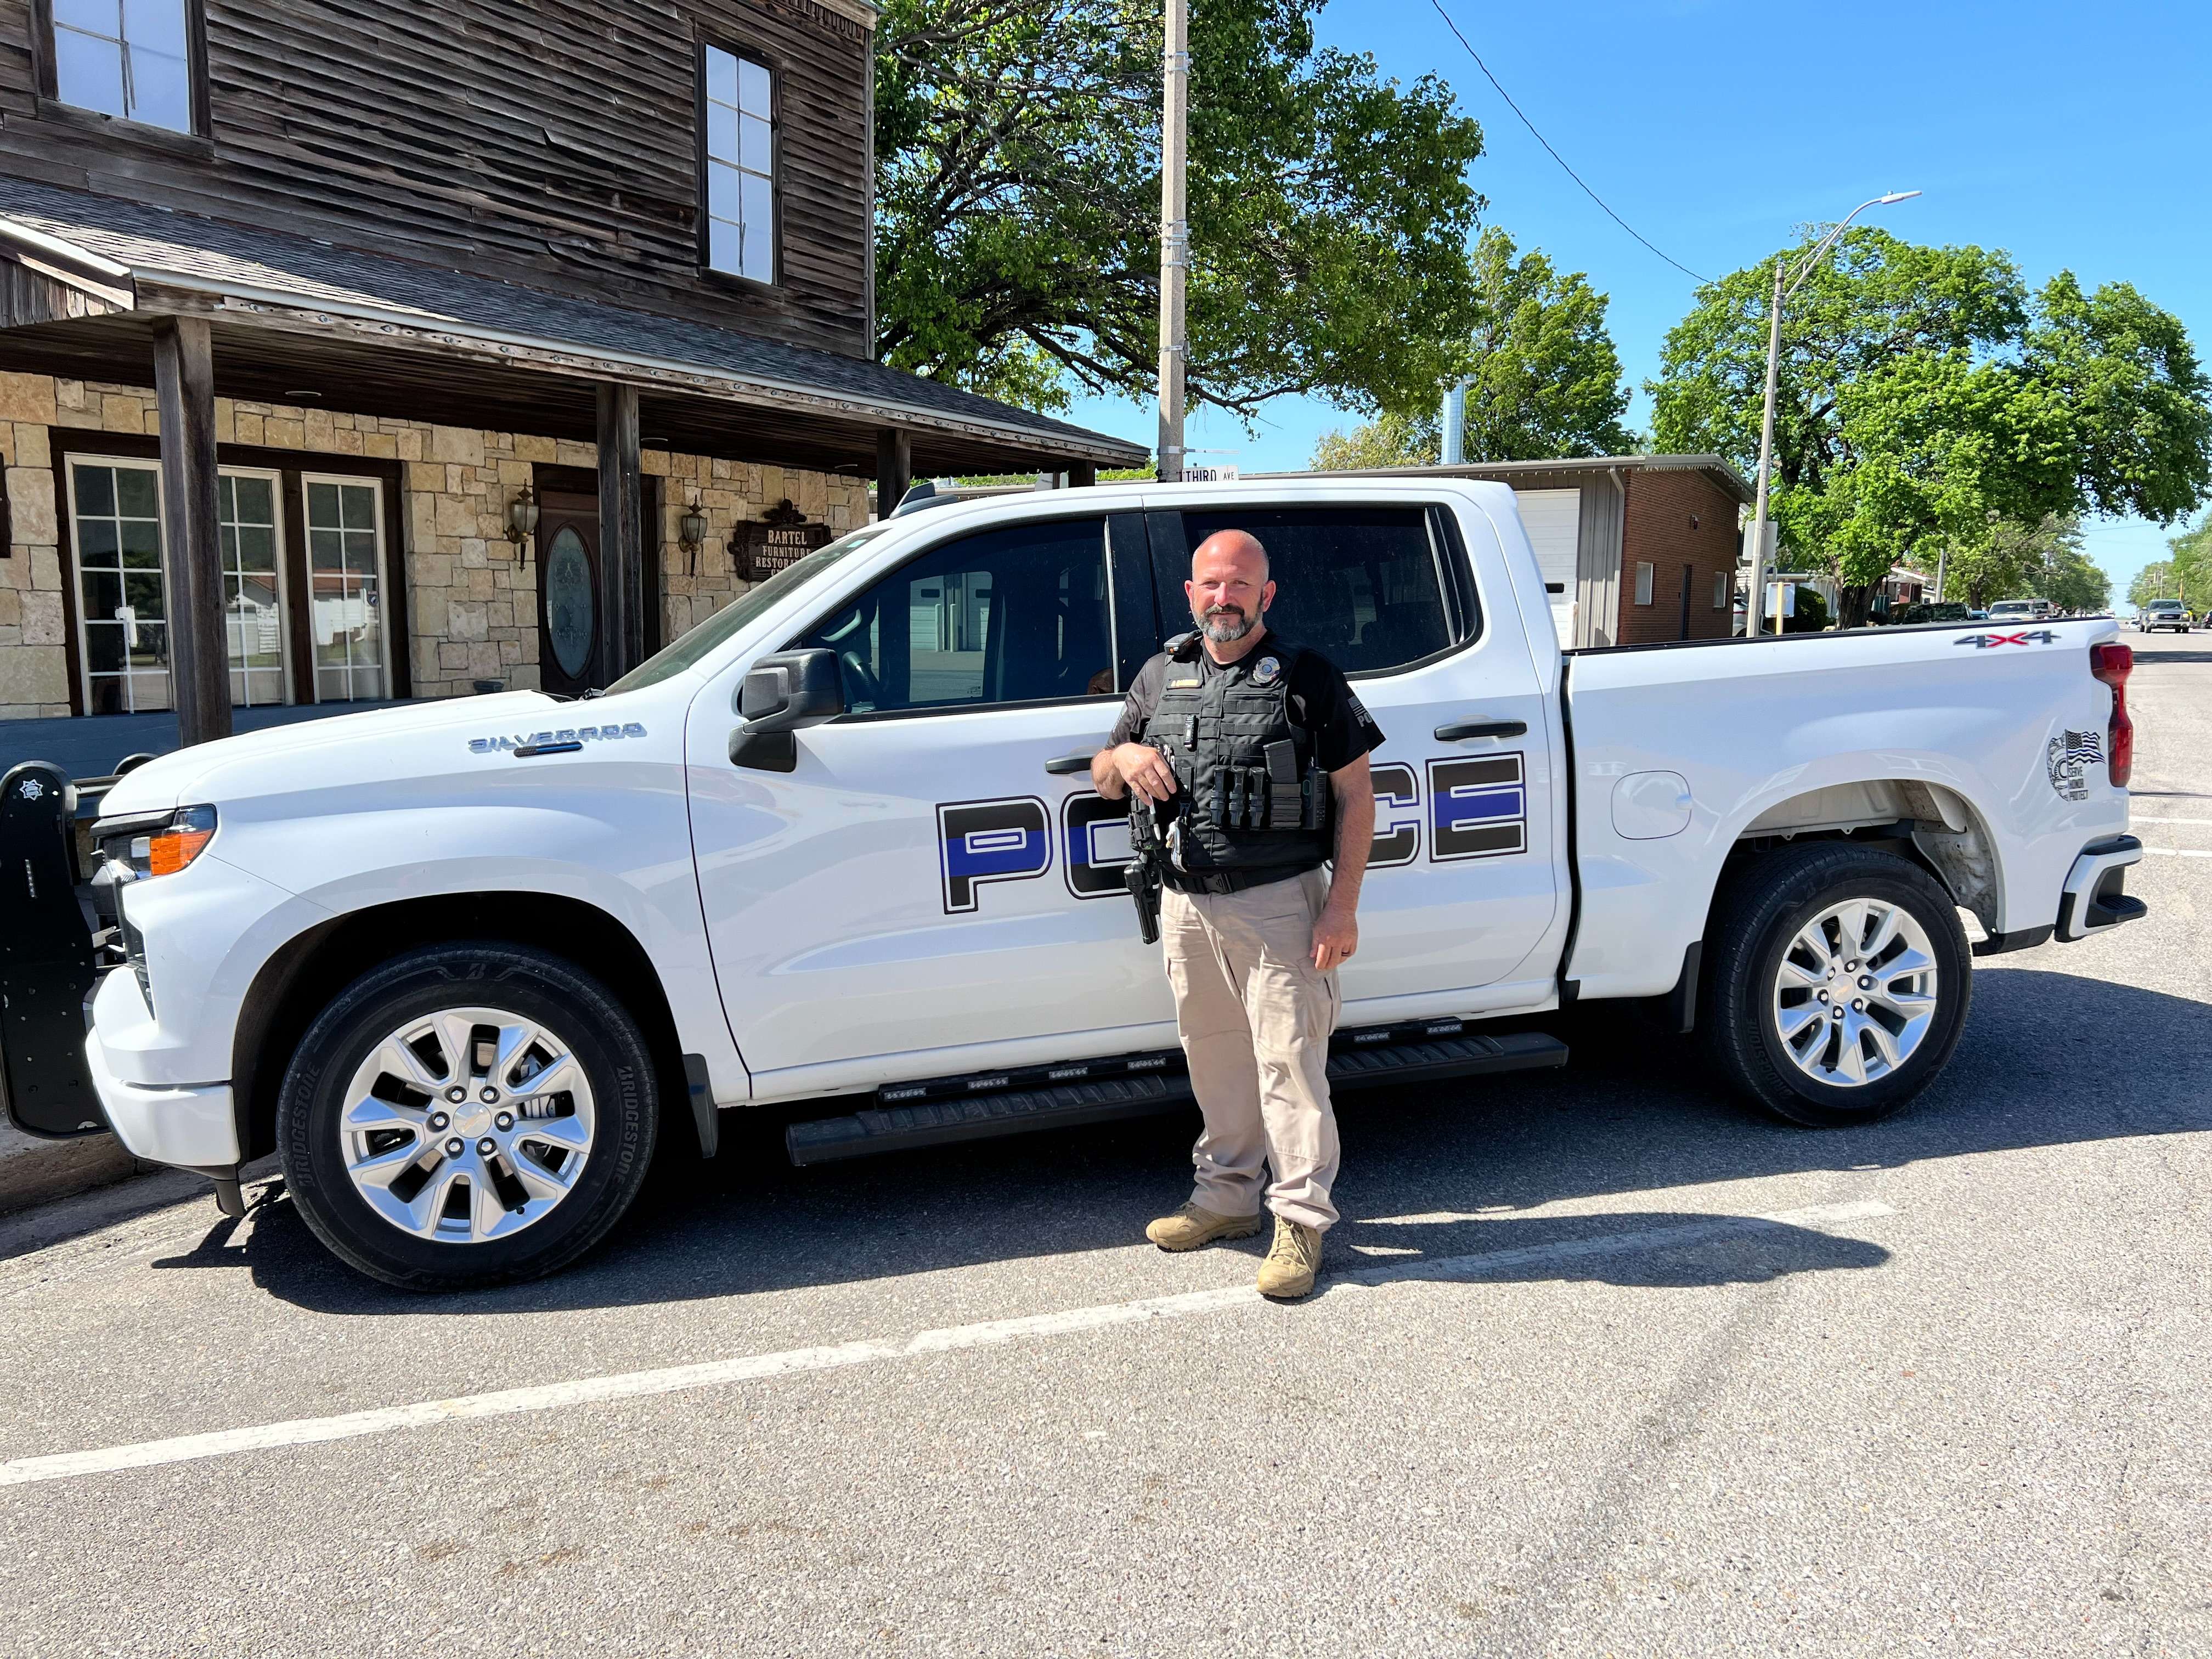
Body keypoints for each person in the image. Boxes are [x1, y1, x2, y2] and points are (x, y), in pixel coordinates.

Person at [1092, 529, 1381, 1300]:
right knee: (1215, 1060)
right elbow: (1103, 770)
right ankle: (1225, 1200)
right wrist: (1121, 759)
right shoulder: (1161, 674)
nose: (1225, 598)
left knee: (1290, 1065)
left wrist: (1341, 908)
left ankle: (1300, 1222)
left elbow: (1357, 794)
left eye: (1240, 585)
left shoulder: (1308, 676)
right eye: (1211, 585)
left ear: (1266, 594)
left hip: (1281, 904)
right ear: (1192, 594)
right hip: (1187, 904)